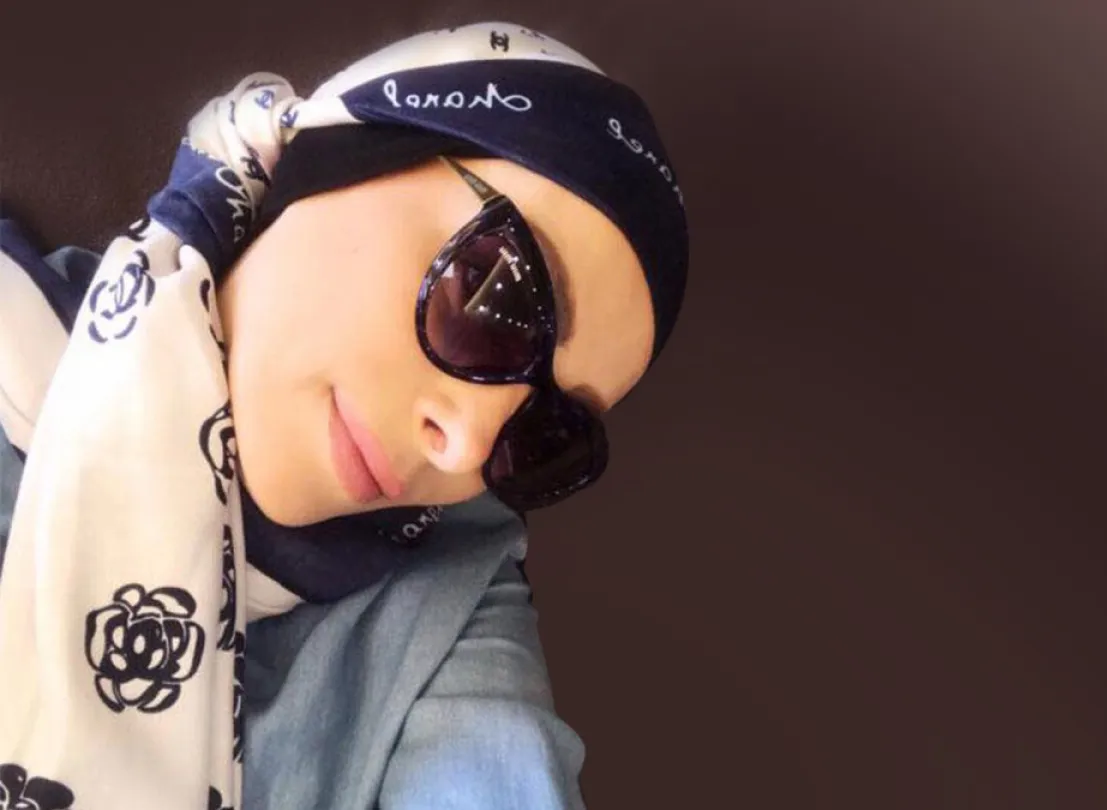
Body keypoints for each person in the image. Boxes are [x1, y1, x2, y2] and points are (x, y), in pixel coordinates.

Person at [0, 20, 687, 810]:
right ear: (345, 152)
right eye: (497, 299)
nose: (466, 447)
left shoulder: (448, 606)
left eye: (544, 435)